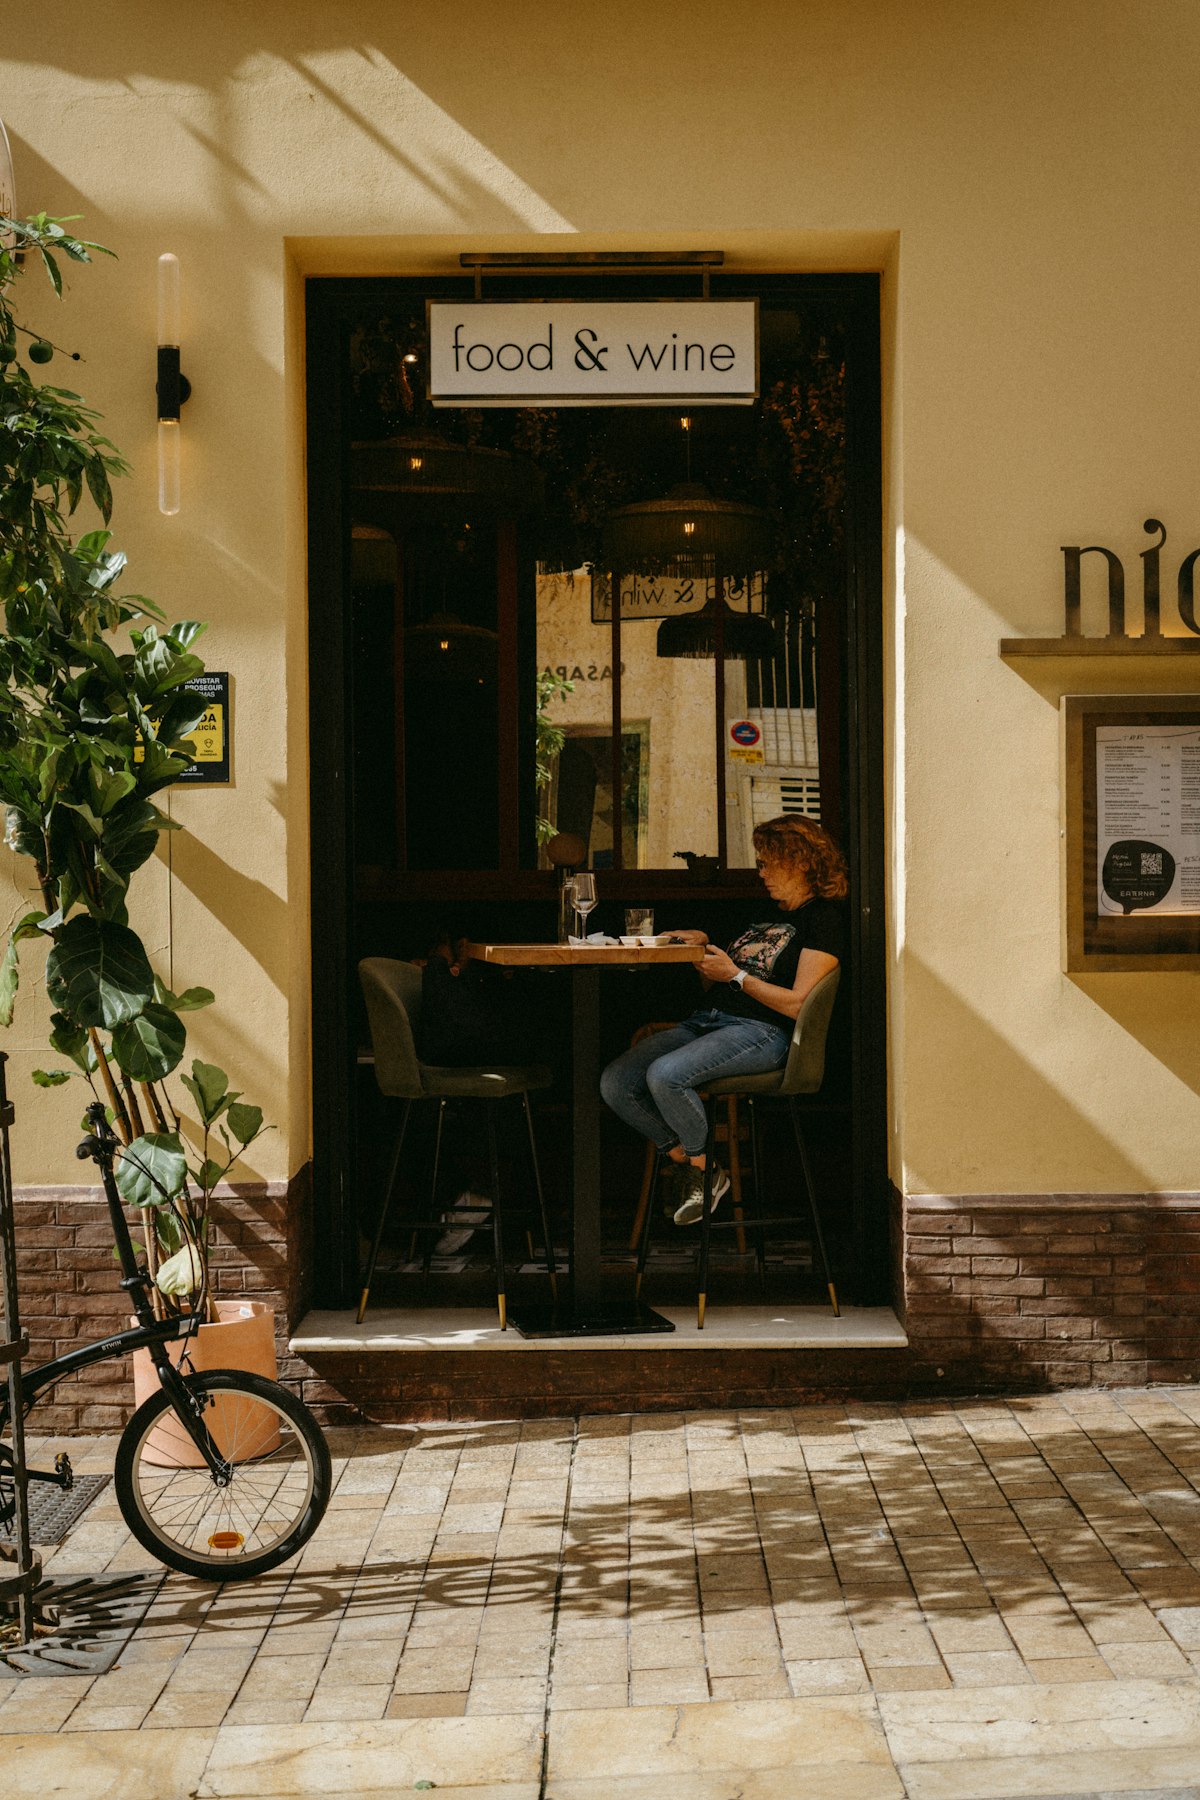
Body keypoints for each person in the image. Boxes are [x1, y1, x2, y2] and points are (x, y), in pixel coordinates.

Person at [599, 815, 846, 1225]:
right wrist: (703, 947)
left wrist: (733, 974)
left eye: (768, 863)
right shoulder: (762, 912)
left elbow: (798, 1005)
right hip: (709, 1020)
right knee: (617, 1080)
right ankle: (701, 1169)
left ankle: (697, 1173)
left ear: (801, 862)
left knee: (665, 1075)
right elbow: (730, 973)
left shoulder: (823, 921)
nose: (761, 872)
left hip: (763, 1032)